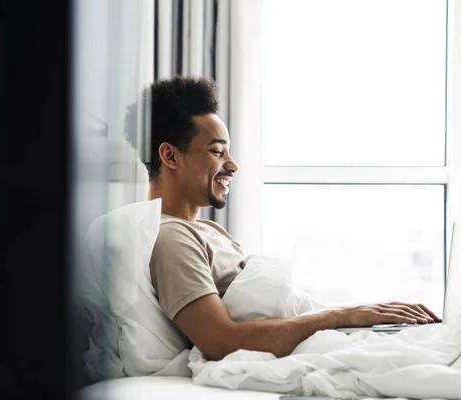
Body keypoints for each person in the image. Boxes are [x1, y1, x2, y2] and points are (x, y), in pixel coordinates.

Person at [124, 75, 441, 362]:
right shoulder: (170, 238)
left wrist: (357, 316)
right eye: (218, 152)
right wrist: (340, 317)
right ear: (170, 156)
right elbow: (221, 341)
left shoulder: (206, 230)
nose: (232, 165)